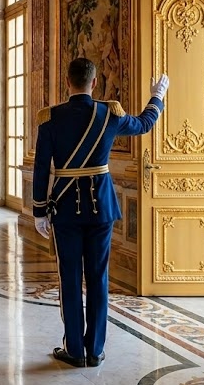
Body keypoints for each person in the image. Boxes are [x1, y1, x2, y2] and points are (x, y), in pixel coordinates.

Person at [32, 57, 169, 368]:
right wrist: (157, 96)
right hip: (101, 208)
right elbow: (145, 124)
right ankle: (95, 350)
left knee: (70, 279)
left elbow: (41, 167)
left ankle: (75, 350)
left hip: (66, 209)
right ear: (94, 83)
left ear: (67, 82)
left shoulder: (50, 119)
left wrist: (39, 211)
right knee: (98, 277)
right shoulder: (110, 113)